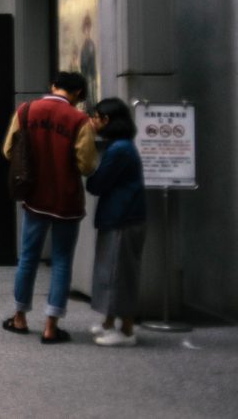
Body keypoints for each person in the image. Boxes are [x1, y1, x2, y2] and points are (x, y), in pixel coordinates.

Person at [0, 71, 98, 343]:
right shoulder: (80, 120)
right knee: (62, 261)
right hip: (67, 200)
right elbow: (87, 165)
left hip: (35, 198)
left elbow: (9, 150)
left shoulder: (27, 110)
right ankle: (51, 326)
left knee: (28, 258)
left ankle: (19, 317)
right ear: (78, 93)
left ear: (52, 86)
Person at [86, 97, 146, 347]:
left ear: (107, 120)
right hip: (122, 215)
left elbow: (96, 183)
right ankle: (111, 322)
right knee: (113, 272)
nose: (93, 122)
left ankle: (127, 330)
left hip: (123, 217)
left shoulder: (119, 149)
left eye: (96, 117)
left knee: (119, 274)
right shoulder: (122, 146)